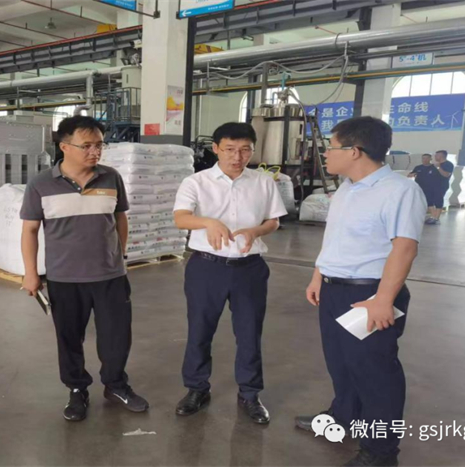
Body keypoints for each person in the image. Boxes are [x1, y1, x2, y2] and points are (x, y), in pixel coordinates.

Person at [297, 117, 426, 467]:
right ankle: (343, 418)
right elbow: (335, 239)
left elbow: (404, 248)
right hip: (333, 290)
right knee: (341, 363)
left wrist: (383, 300)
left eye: (331, 147)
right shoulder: (347, 188)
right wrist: (318, 275)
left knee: (374, 374)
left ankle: (381, 452)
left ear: (354, 151)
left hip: (370, 294)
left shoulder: (399, 191)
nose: (325, 153)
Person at [19, 115, 148, 422]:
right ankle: (77, 389)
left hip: (110, 276)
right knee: (69, 338)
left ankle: (116, 385)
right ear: (64, 146)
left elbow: (120, 218)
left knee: (116, 337)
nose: (95, 151)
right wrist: (31, 273)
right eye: (87, 145)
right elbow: (29, 231)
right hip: (64, 278)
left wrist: (120, 253)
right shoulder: (41, 184)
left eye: (99, 145)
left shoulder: (111, 177)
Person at [172, 122, 287, 423]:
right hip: (206, 267)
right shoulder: (196, 182)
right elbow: (181, 218)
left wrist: (255, 230)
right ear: (216, 149)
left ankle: (250, 394)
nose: (237, 157)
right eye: (230, 150)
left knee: (249, 333)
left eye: (245, 150)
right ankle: (197, 389)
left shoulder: (263, 182)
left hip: (249, 268)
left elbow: (274, 221)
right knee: (200, 330)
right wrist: (208, 222)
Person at [426, 150, 454, 225]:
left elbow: (446, 174)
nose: (435, 157)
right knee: (429, 201)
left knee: (438, 201)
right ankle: (432, 216)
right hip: (431, 186)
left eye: (436, 155)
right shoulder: (434, 165)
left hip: (441, 185)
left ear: (441, 156)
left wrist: (438, 167)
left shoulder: (448, 164)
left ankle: (436, 218)